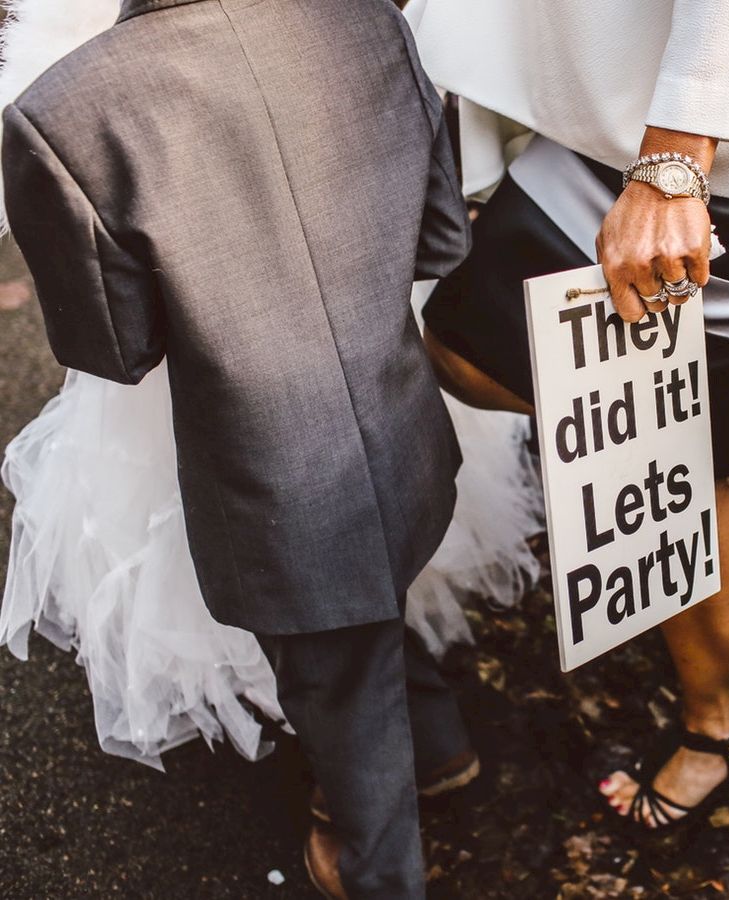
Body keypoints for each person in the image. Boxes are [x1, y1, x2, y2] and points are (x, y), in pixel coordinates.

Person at [0, 0, 533, 895]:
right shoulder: (370, 18)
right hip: (406, 433)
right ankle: (439, 749)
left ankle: (378, 872)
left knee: (331, 679)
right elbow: (440, 239)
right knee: (371, 611)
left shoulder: (65, 112)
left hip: (268, 480)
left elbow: (118, 349)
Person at [406, 0, 729, 828]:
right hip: (628, 80)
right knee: (462, 345)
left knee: (650, 446)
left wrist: (672, 166)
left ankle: (728, 722)